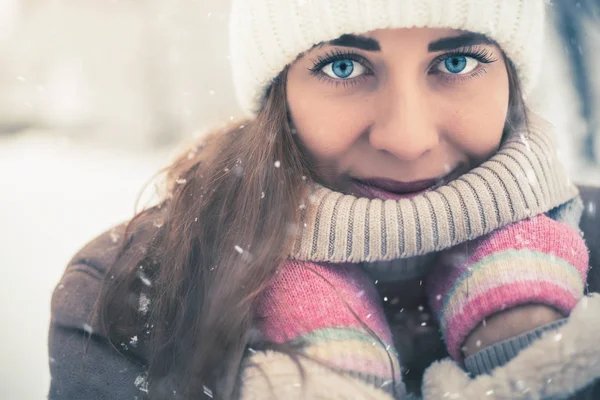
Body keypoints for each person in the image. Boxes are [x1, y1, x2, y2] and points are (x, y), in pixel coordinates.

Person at [48, 0, 600, 399]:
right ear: (278, 94)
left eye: (455, 62)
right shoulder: (133, 293)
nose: (407, 139)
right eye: (344, 66)